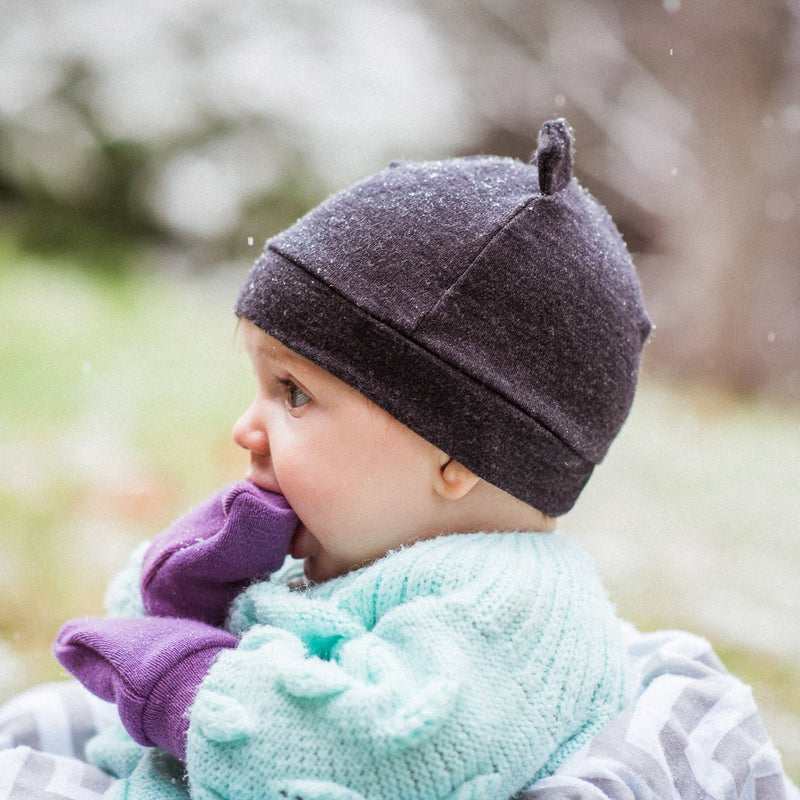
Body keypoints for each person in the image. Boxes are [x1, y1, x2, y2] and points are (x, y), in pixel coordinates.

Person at [0, 119, 796, 800]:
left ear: (454, 455)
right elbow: (121, 652)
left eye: (294, 394)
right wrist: (187, 583)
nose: (248, 427)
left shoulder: (511, 606)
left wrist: (185, 683)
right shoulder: (356, 545)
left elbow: (381, 752)